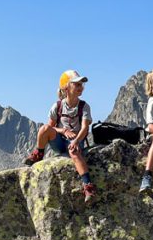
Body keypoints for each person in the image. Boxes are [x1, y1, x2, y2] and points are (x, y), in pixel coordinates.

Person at [24, 69, 98, 204]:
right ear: (66, 87)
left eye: (81, 85)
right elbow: (50, 128)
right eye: (76, 84)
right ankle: (39, 154)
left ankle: (88, 186)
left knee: (74, 152)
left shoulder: (84, 106)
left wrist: (76, 140)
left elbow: (85, 128)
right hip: (59, 141)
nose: (80, 87)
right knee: (44, 129)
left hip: (76, 140)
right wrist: (63, 131)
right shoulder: (57, 106)